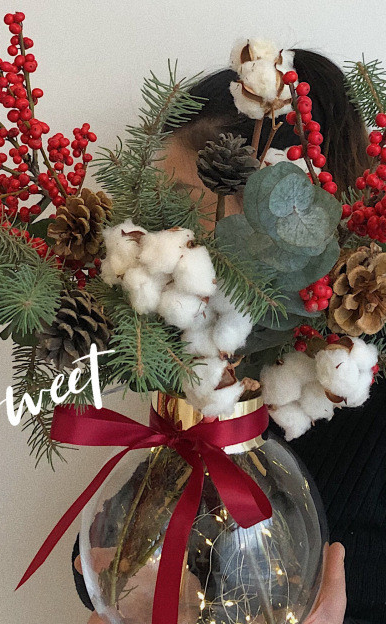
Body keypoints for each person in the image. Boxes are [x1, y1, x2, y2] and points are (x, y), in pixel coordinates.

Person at [71, 48, 386, 624]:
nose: (156, 249)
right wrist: (129, 577)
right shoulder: (204, 358)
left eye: (179, 220)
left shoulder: (352, 386)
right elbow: (109, 543)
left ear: (288, 213)